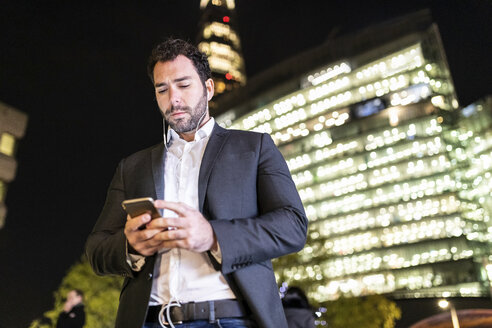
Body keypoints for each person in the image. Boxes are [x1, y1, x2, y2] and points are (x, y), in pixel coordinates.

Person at [85, 38, 308, 328]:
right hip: (150, 321)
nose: (173, 98)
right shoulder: (132, 167)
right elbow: (96, 250)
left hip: (230, 320)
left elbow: (293, 226)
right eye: (162, 89)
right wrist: (130, 246)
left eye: (183, 85)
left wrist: (214, 236)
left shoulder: (254, 148)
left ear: (208, 87)